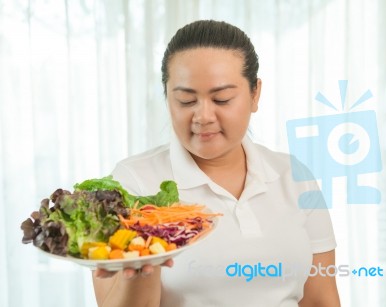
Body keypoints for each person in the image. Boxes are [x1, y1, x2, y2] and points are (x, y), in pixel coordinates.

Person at [92, 20, 340, 307]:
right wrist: (142, 261)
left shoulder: (294, 176)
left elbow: (322, 299)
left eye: (222, 99)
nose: (203, 116)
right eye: (186, 100)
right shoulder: (132, 183)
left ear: (254, 94)